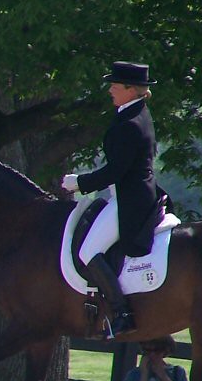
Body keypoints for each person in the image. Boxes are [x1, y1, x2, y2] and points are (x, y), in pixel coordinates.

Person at [61, 61, 165, 337]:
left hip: (130, 202)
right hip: (133, 194)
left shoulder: (130, 123)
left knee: (87, 252)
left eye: (115, 86)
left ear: (130, 89)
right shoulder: (136, 113)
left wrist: (79, 183)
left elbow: (115, 171)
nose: (110, 90)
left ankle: (123, 313)